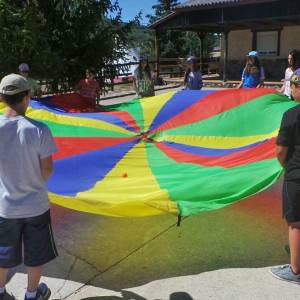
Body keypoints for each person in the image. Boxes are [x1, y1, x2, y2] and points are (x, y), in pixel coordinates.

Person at [0, 74, 58, 299]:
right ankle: (32, 294)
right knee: (36, 253)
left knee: (3, 252)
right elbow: (47, 169)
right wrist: (32, 185)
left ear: (2, 98)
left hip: (5, 208)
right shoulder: (39, 130)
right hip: (35, 206)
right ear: (27, 97)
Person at [271, 68, 300, 284]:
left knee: (296, 222)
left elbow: (280, 150)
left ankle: (296, 270)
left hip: (296, 175)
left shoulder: (291, 115)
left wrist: (284, 166)